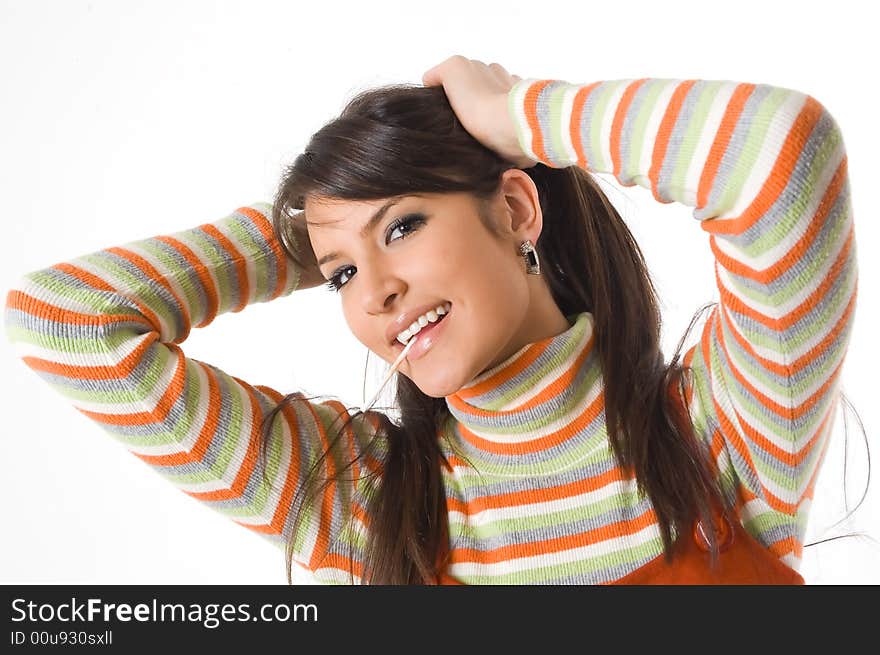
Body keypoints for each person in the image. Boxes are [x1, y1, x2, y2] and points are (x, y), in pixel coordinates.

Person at [3, 55, 859, 585]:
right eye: (340, 275)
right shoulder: (367, 508)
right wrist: (309, 222)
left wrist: (518, 117)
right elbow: (63, 320)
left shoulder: (727, 432)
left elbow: (781, 151)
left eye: (404, 227)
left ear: (520, 210)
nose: (370, 293)